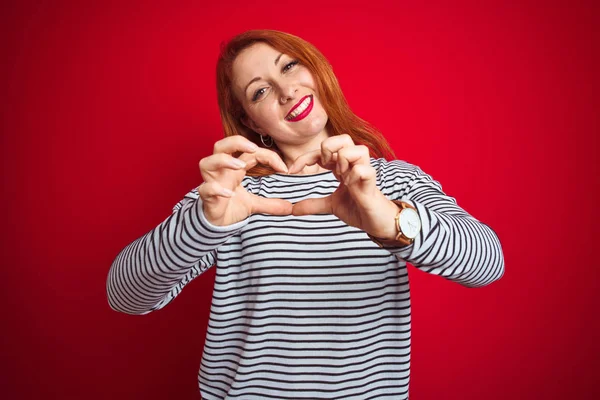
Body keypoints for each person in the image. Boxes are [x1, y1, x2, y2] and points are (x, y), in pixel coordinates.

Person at [106, 29, 505, 400]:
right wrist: (202, 223)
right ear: (248, 120)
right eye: (260, 91)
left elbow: (488, 264)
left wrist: (386, 219)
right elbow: (124, 296)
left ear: (316, 69)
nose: (285, 91)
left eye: (290, 66)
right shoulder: (231, 193)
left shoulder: (392, 181)